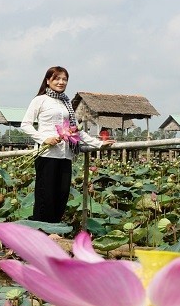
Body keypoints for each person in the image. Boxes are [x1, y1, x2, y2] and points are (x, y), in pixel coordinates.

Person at [20, 66, 115, 223]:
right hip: (47, 154)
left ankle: (55, 226)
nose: (61, 82)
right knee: (46, 194)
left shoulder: (66, 103)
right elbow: (26, 124)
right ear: (48, 80)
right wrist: (44, 139)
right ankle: (43, 228)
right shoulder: (40, 100)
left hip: (65, 154)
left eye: (64, 79)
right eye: (57, 78)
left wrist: (98, 144)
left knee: (62, 193)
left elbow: (75, 130)